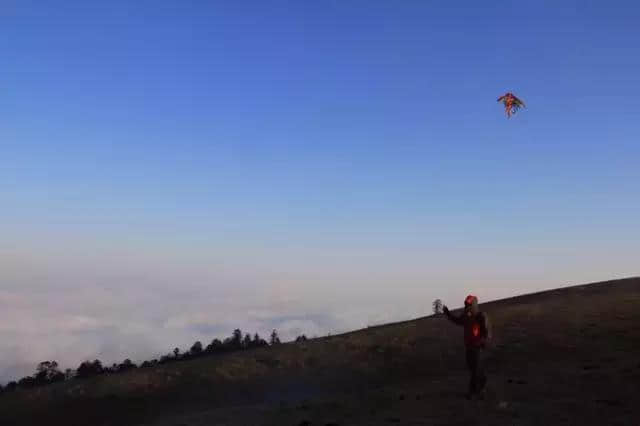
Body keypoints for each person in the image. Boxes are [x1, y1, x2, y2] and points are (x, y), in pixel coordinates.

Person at [443, 295, 491, 399]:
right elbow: (457, 321)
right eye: (466, 304)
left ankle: (474, 392)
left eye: (469, 304)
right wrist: (447, 313)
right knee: (473, 368)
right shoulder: (466, 316)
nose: (467, 306)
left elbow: (486, 333)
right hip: (469, 346)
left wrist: (481, 342)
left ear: (474, 304)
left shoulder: (481, 316)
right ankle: (481, 387)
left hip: (477, 347)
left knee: (475, 369)